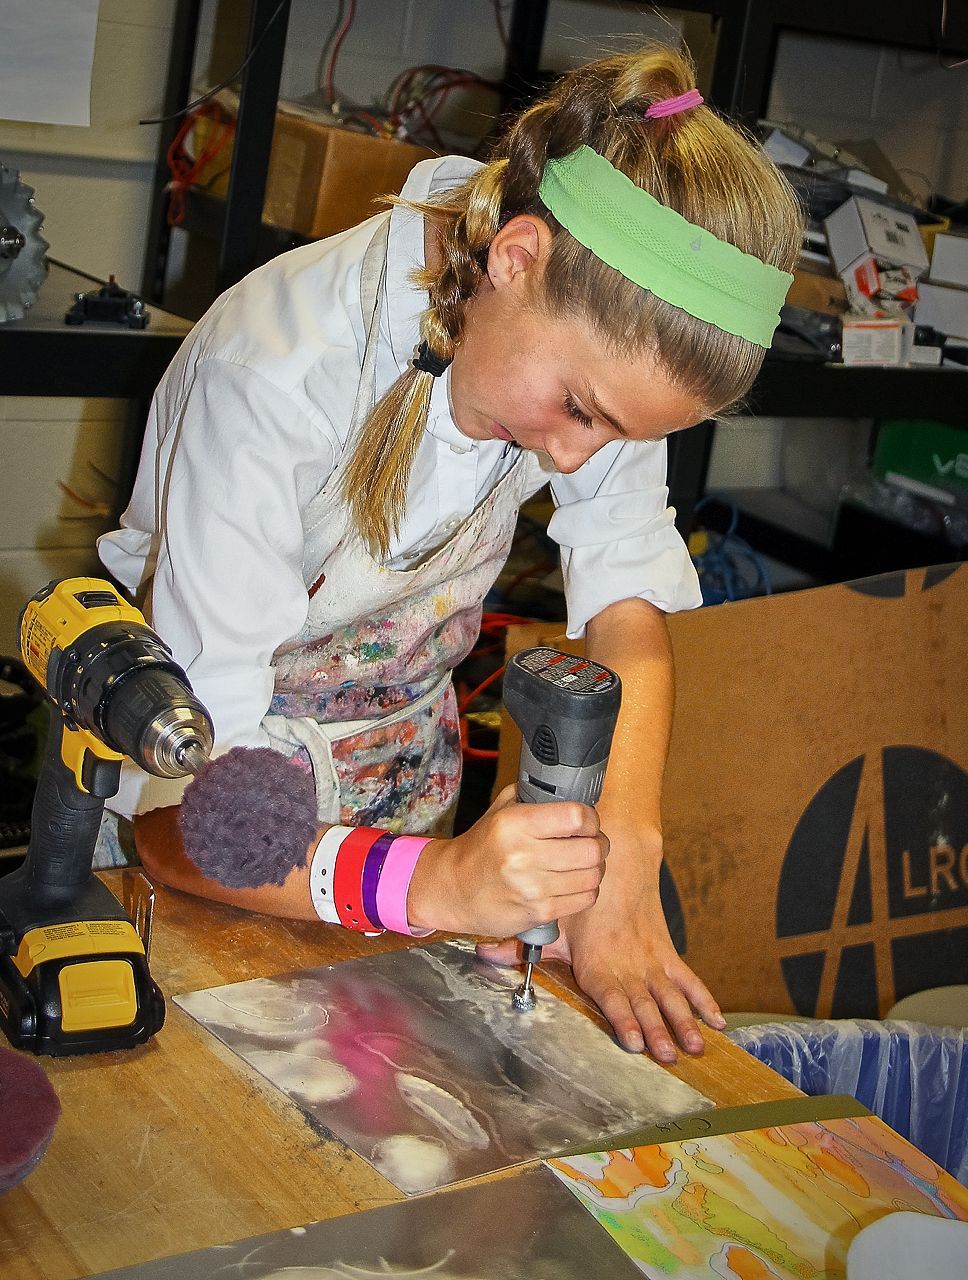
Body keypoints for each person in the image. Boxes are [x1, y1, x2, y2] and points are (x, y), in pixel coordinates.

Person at [99, 43, 803, 1064]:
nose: (574, 455)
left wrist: (622, 858)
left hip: (397, 801)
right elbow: (188, 819)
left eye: (613, 435)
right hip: (212, 835)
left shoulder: (582, 343)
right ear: (516, 257)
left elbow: (626, 619)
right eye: (577, 412)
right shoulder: (277, 372)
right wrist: (439, 886)